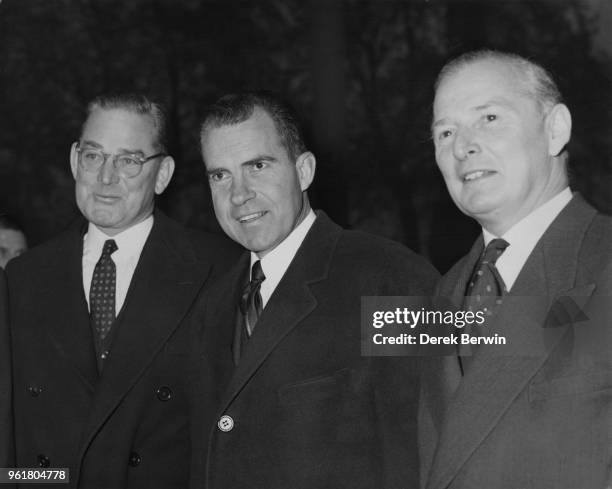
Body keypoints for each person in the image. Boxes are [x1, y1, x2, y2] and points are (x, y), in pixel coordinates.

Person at [192, 92, 439, 489]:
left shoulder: (387, 278)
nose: (239, 194)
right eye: (220, 175)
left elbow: (423, 456)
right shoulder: (211, 309)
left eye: (257, 165)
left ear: (304, 171)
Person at [6, 94, 239, 489]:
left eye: (128, 161)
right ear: (74, 160)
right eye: (94, 156)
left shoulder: (221, 271)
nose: (106, 177)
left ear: (162, 174)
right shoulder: (21, 277)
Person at [421, 50, 612, 489]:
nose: (462, 146)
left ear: (555, 130)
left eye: (488, 118)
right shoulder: (441, 295)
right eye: (444, 131)